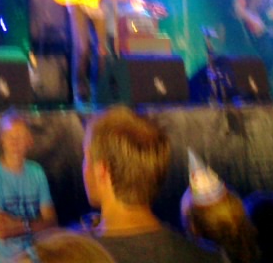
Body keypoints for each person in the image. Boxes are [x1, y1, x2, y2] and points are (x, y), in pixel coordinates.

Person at [80, 107, 221, 262]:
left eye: (86, 158)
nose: (84, 169)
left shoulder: (73, 257)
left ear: (102, 171)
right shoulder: (209, 257)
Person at [0, 111, 58, 263]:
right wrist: (35, 223)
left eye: (19, 136)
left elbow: (51, 223)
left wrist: (18, 225)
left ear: (29, 140)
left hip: (38, 259)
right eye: (9, 136)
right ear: (2, 139)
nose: (14, 142)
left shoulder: (37, 171)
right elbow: (1, 230)